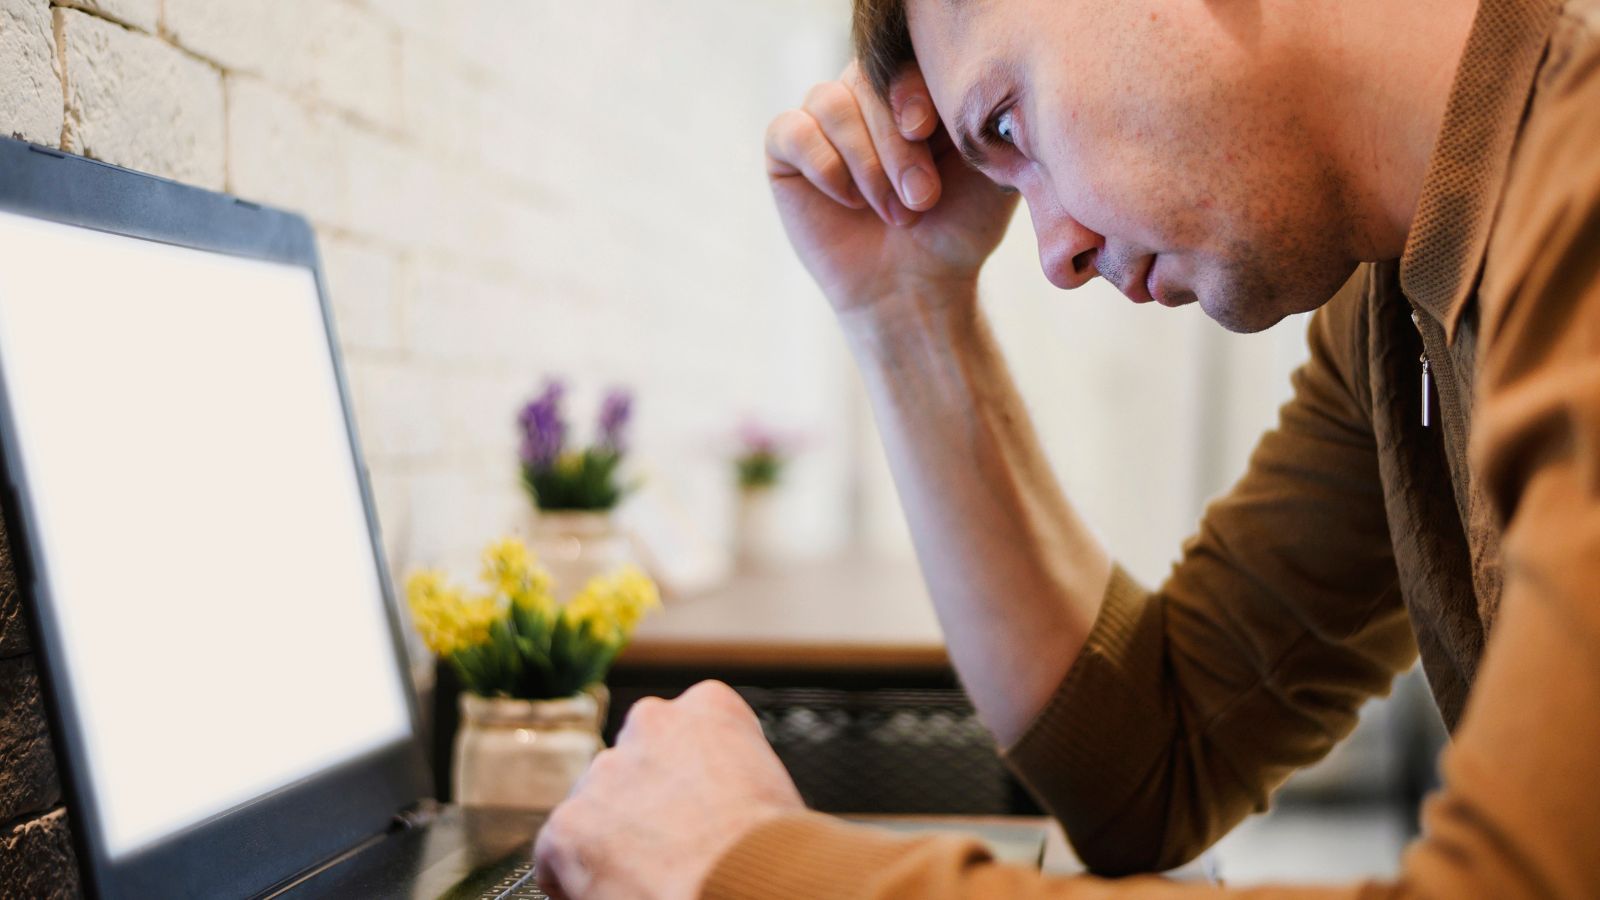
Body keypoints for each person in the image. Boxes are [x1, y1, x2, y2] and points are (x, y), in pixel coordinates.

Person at [534, 0, 1600, 895]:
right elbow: (1160, 759)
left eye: (1006, 120)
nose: (1054, 255)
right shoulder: (1395, 313)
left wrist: (740, 867)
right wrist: (907, 311)